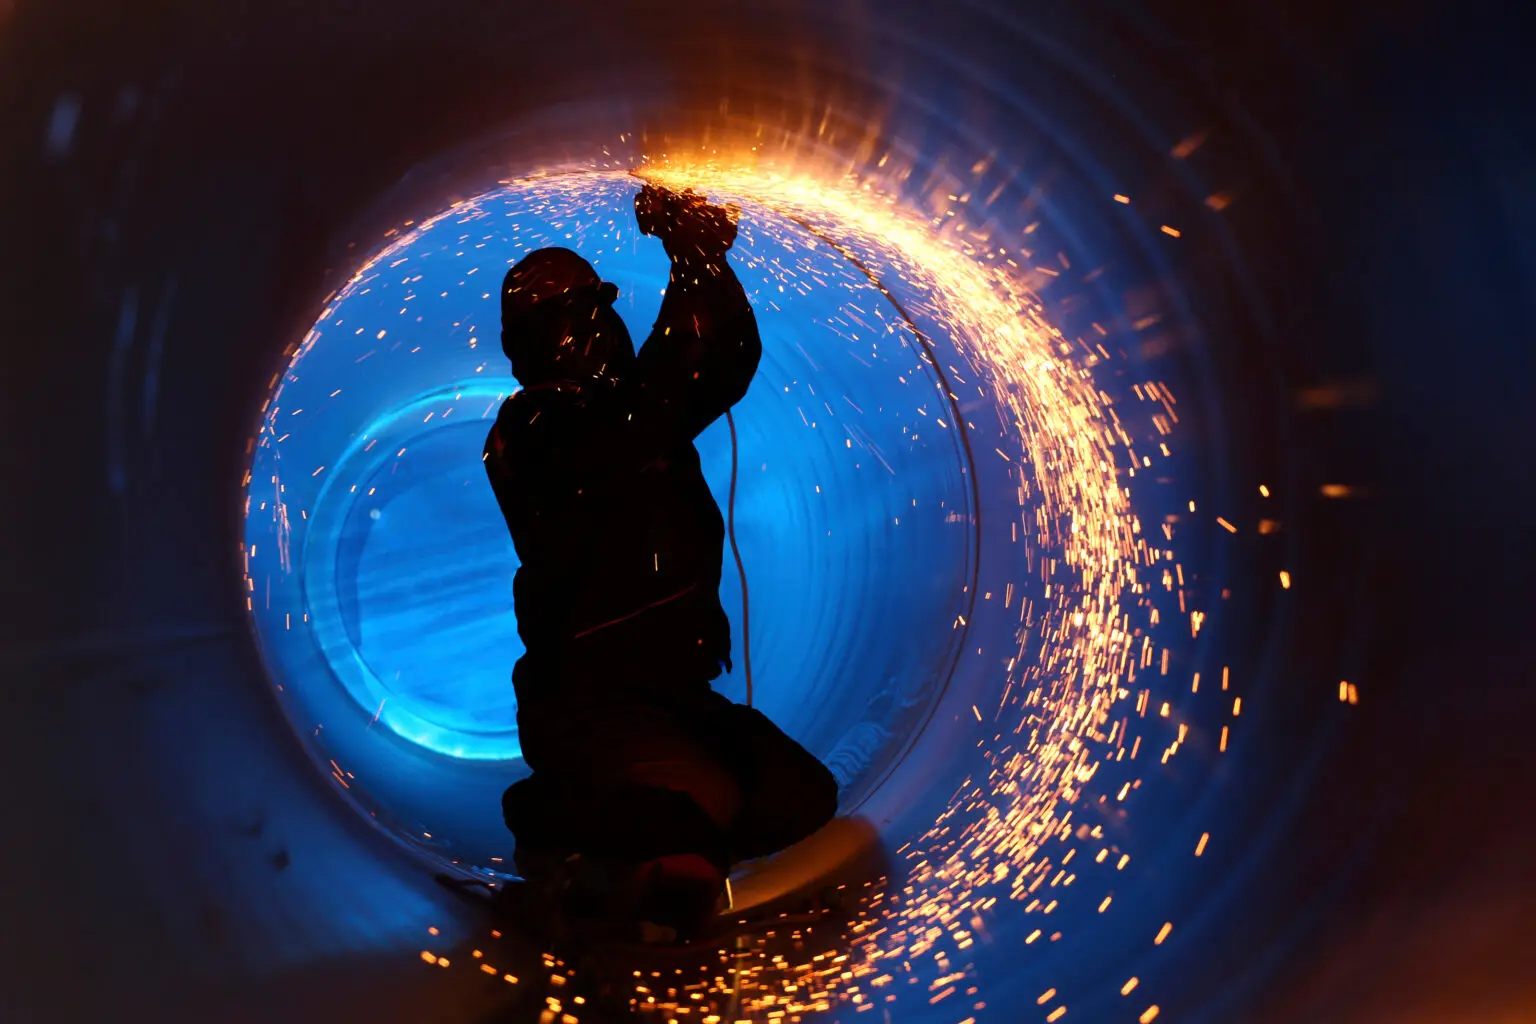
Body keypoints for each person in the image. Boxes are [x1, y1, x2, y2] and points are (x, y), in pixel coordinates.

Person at [482, 183, 839, 938]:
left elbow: (716, 362)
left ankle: (639, 841)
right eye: (585, 309)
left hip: (668, 688)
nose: (603, 321)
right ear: (550, 331)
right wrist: (694, 258)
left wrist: (696, 259)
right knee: (683, 824)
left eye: (600, 304)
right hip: (587, 698)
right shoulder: (538, 429)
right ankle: (571, 842)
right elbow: (676, 379)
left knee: (797, 796)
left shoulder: (622, 414)